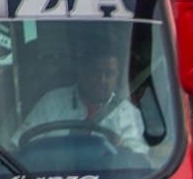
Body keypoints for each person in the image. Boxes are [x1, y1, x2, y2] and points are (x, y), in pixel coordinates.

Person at [14, 49, 146, 155]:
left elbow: (138, 160)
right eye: (96, 71)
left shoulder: (128, 113)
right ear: (81, 71)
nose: (102, 80)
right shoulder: (51, 102)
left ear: (117, 76)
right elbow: (18, 146)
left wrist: (122, 148)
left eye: (109, 73)